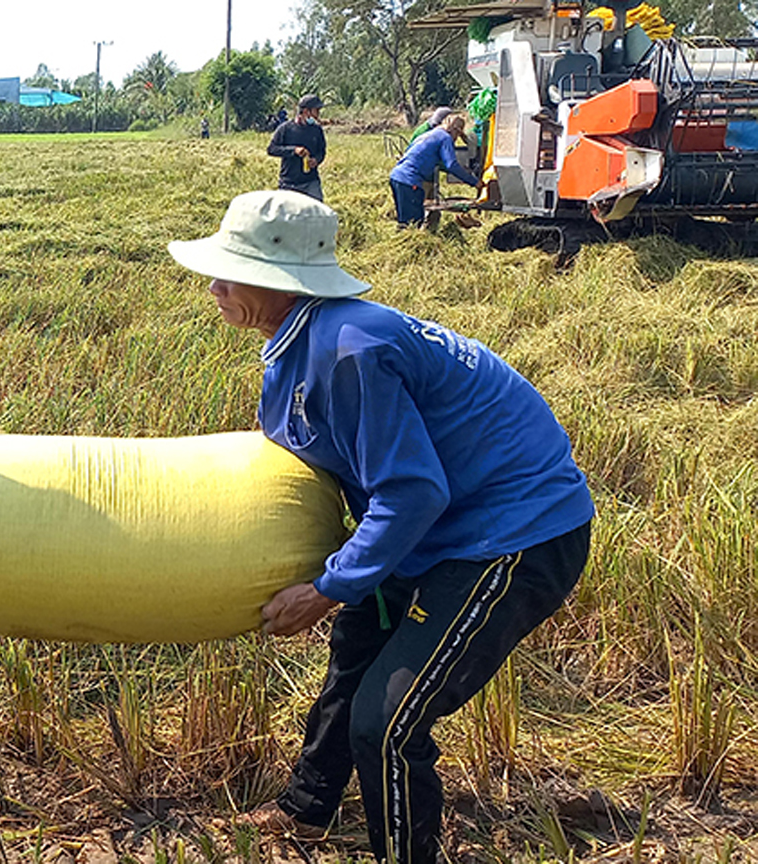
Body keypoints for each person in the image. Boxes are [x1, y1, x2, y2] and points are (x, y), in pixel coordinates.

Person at [167, 190, 593, 864]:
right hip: (430, 528)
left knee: (388, 721)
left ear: (284, 283)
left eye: (231, 272)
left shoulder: (348, 350)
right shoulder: (297, 343)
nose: (214, 286)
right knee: (353, 662)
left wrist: (328, 588)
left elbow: (414, 490)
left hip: (509, 535)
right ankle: (306, 811)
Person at [390, 114, 479, 228]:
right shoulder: (445, 137)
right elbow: (451, 165)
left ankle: (403, 240)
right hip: (410, 180)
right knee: (414, 223)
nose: (456, 139)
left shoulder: (427, 135)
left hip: (396, 176)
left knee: (404, 220)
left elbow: (414, 154)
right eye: (458, 134)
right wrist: (474, 182)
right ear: (455, 130)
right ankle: (413, 244)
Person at [266, 94, 326, 201]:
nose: (318, 114)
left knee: (317, 213)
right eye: (316, 110)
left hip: (310, 182)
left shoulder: (317, 130)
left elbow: (321, 151)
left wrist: (316, 160)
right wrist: (294, 150)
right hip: (289, 183)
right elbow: (272, 149)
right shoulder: (285, 129)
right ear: (306, 111)